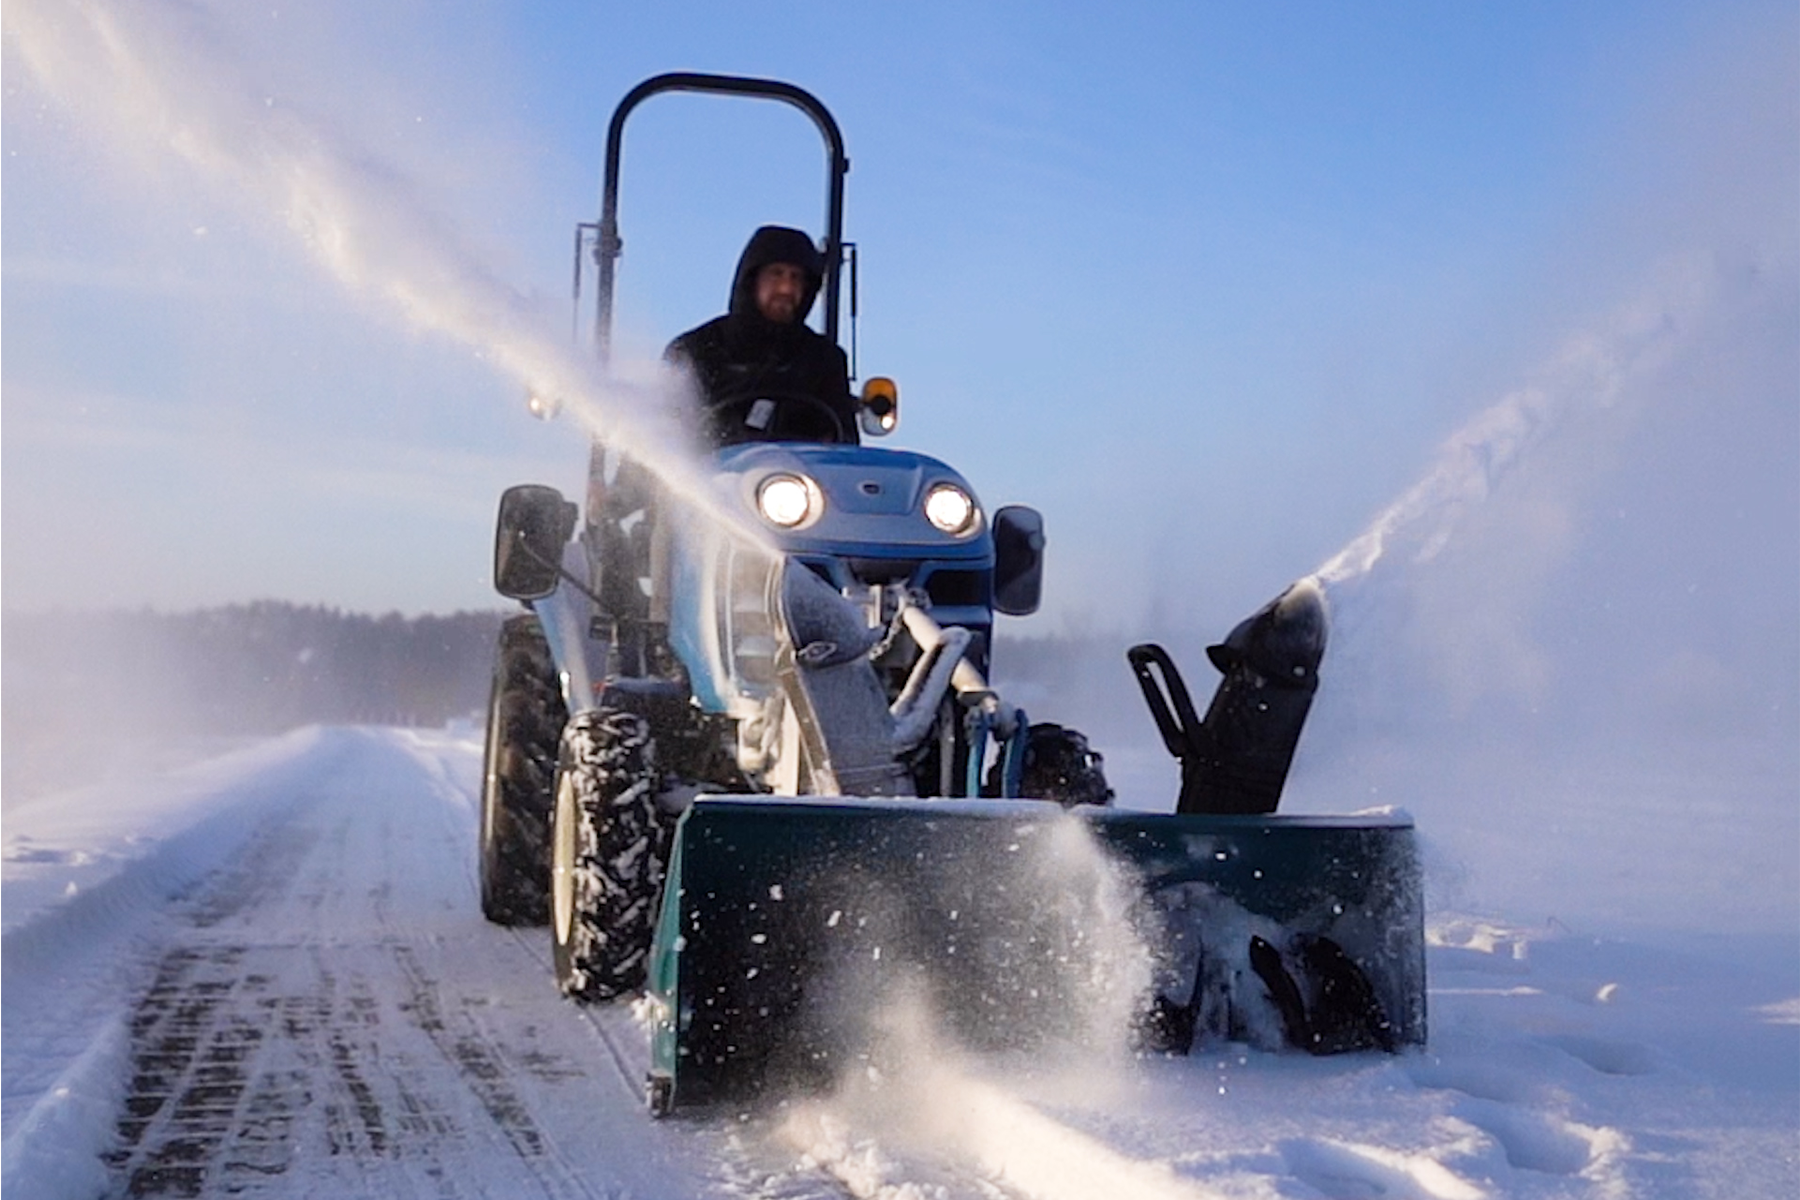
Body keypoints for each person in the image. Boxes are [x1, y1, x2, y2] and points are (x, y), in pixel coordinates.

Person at [666, 225, 858, 447]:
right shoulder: (695, 349)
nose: (786, 288)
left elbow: (844, 443)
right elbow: (659, 436)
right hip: (707, 475)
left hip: (802, 475)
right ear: (752, 280)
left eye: (796, 278)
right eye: (776, 274)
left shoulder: (824, 359)